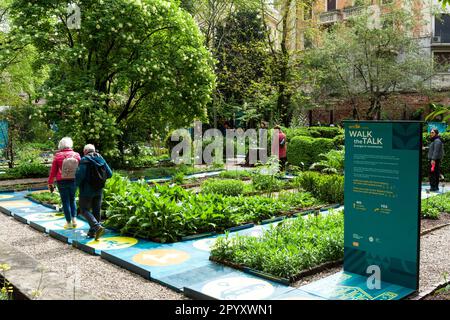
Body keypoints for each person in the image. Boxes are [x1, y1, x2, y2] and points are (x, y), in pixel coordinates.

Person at [75, 144, 113, 240]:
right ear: (94, 150)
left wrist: (74, 186)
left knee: (84, 209)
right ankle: (93, 233)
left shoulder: (84, 160)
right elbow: (110, 174)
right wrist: (100, 178)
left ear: (85, 151)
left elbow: (79, 176)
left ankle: (96, 227)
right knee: (96, 211)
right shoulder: (101, 158)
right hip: (99, 189)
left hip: (86, 190)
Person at [48, 137, 81, 229]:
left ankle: (68, 222)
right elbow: (80, 169)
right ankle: (74, 220)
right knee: (72, 199)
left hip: (61, 180)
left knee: (65, 201)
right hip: (73, 180)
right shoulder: (77, 155)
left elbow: (53, 171)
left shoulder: (58, 156)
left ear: (60, 146)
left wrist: (50, 182)